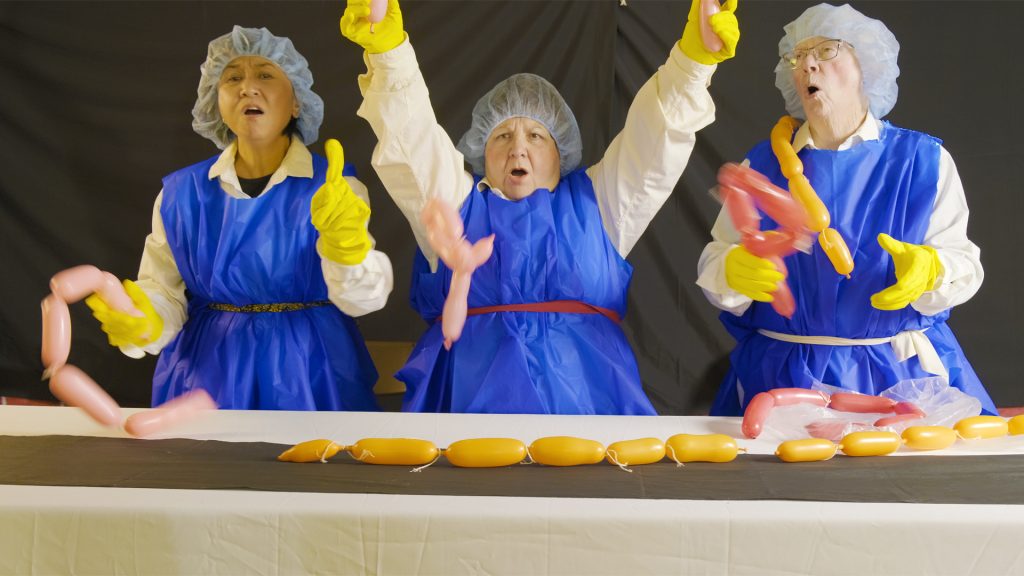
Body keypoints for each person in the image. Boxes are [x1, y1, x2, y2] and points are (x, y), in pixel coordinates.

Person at [340, 0, 740, 414]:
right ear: (481, 152)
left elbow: (655, 140)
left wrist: (693, 63)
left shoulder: (599, 202)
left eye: (536, 136)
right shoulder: (455, 204)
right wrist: (389, 55)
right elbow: (411, 137)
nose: (518, 148)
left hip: (589, 412)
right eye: (501, 136)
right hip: (465, 412)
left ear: (559, 153)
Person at [696, 3, 997, 415]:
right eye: (798, 57)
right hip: (783, 379)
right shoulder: (761, 167)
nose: (808, 67)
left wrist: (933, 269)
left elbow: (965, 263)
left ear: (867, 67)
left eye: (826, 51)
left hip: (900, 378)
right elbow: (715, 259)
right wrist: (731, 270)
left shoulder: (922, 162)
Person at [85, 26, 392, 410]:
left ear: (296, 102)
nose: (247, 87)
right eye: (233, 78)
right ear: (216, 101)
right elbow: (162, 291)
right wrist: (145, 321)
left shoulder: (334, 189)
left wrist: (348, 250)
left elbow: (364, 301)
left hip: (313, 369)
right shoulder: (181, 195)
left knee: (315, 470)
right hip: (206, 374)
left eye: (265, 74)